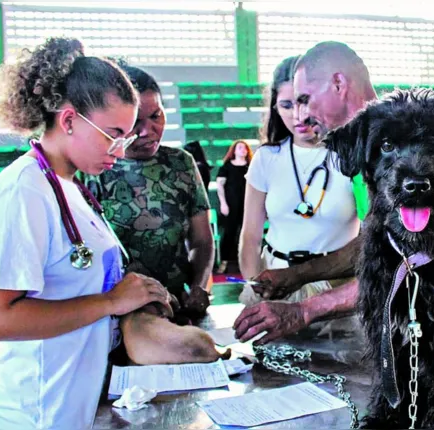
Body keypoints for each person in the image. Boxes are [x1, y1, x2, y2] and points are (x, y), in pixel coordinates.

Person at [0, 37, 172, 429]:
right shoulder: (21, 192)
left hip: (71, 404)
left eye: (127, 137)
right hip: (38, 413)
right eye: (114, 133)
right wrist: (111, 302)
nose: (121, 149)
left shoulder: (70, 187)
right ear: (68, 120)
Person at [234, 44, 375, 343]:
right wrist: (263, 285)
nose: (302, 114)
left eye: (305, 100)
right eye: (288, 104)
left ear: (338, 84)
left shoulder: (362, 153)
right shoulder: (267, 158)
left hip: (339, 291)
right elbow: (251, 236)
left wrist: (305, 295)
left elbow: (378, 247)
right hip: (280, 283)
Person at [87, 61, 214, 320]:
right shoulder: (96, 168)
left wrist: (199, 286)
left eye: (156, 116)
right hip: (121, 312)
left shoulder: (181, 163)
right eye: (135, 122)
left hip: (179, 305)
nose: (148, 131)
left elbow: (202, 240)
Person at [215, 140, 251, 273]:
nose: (242, 150)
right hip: (231, 205)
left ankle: (246, 263)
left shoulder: (250, 167)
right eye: (239, 147)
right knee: (229, 233)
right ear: (234, 151)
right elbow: (220, 186)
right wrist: (223, 203)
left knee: (247, 233)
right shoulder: (226, 167)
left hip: (247, 205)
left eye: (244, 148)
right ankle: (224, 262)